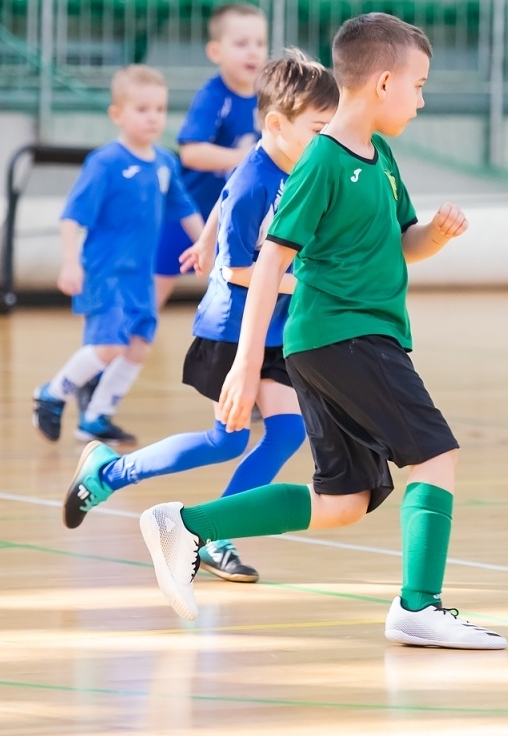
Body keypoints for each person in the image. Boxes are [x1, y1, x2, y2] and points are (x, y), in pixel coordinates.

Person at [137, 13, 506, 649]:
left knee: (344, 501)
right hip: (344, 336)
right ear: (384, 83)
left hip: (345, 340)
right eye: (418, 85)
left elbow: (399, 243)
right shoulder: (322, 162)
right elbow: (270, 259)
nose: (421, 99)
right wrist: (247, 363)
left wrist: (436, 237)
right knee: (435, 454)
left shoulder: (380, 156)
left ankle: (184, 524)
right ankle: (419, 606)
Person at [61, 50, 339, 586]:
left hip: (277, 327)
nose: (326, 139)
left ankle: (212, 534)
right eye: (318, 128)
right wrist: (306, 281)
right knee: (227, 440)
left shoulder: (290, 160)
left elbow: (232, 189)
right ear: (278, 124)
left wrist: (208, 231)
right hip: (234, 329)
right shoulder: (258, 178)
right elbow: (239, 271)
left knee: (286, 432)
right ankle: (111, 473)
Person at [32, 65, 201, 444]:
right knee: (109, 344)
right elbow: (72, 216)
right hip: (105, 271)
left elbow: (185, 207)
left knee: (138, 346)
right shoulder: (105, 162)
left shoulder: (164, 162)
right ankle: (52, 393)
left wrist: (209, 245)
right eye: (142, 109)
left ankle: (95, 418)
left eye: (159, 108)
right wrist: (71, 261)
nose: (153, 117)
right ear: (117, 114)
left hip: (140, 275)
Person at [150, 1, 266, 309]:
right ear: (215, 52)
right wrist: (243, 157)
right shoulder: (213, 97)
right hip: (189, 211)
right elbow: (191, 153)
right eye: (241, 44)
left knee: (240, 284)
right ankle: (124, 350)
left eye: (260, 43)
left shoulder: (268, 96)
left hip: (234, 213)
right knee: (157, 287)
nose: (253, 51)